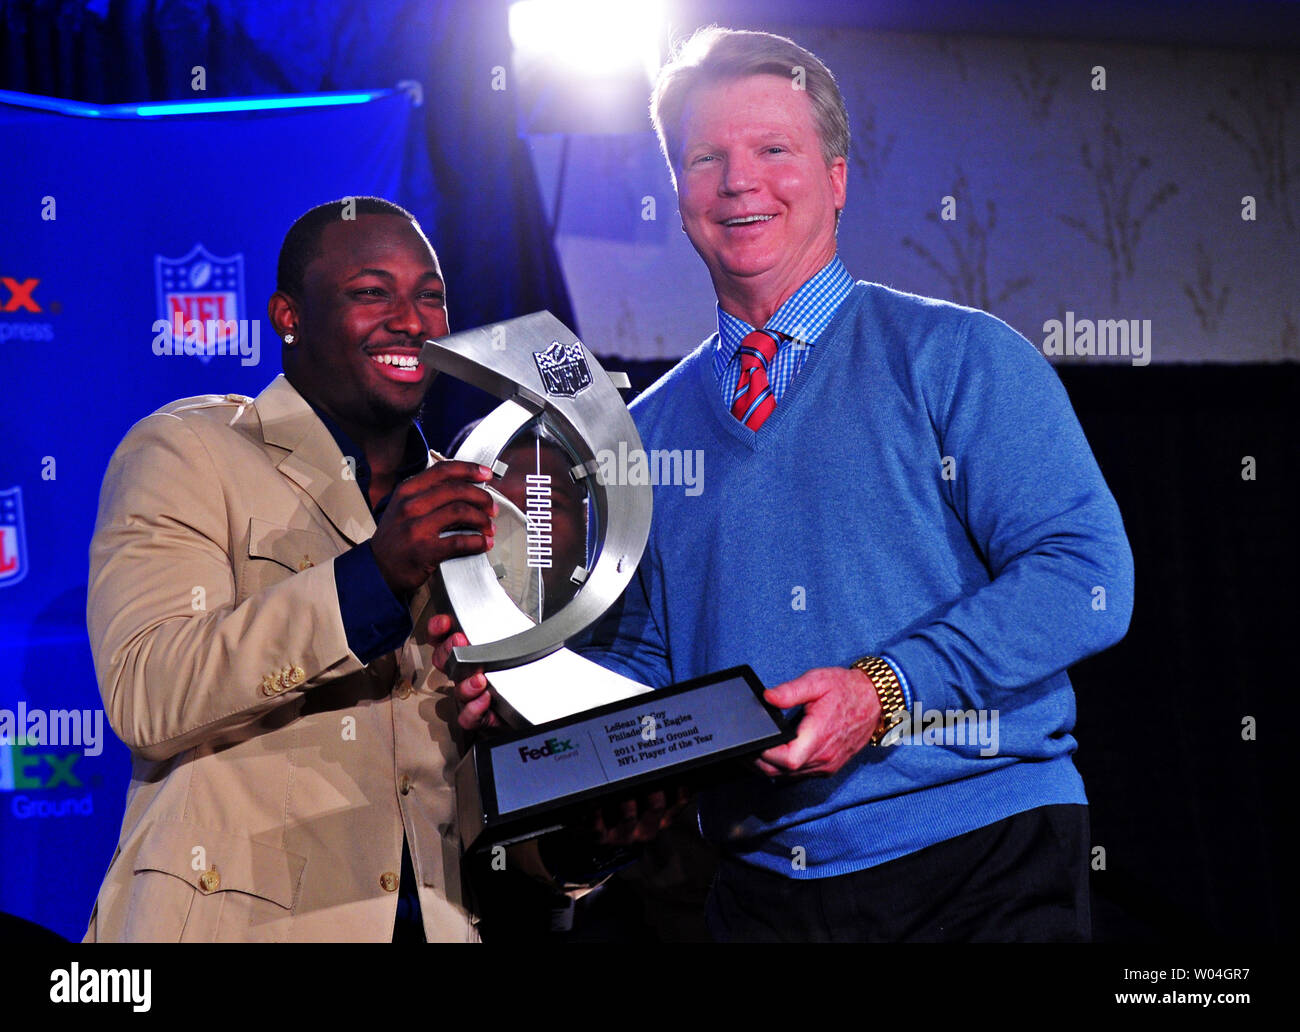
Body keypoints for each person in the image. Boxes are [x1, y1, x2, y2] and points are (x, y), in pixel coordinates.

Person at [447, 28, 1134, 942]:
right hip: (760, 894)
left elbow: (1086, 577)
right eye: (706, 157)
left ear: (838, 178)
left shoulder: (959, 356)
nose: (739, 180)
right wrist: (543, 700)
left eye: (774, 149)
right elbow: (656, 661)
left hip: (981, 855)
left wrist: (884, 691)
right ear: (680, 192)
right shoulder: (641, 435)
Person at [84, 197, 515, 941]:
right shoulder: (189, 450)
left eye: (431, 296)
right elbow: (146, 690)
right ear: (289, 316)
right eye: (371, 292)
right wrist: (372, 577)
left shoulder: (474, 503)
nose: (411, 320)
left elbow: (464, 795)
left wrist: (579, 833)